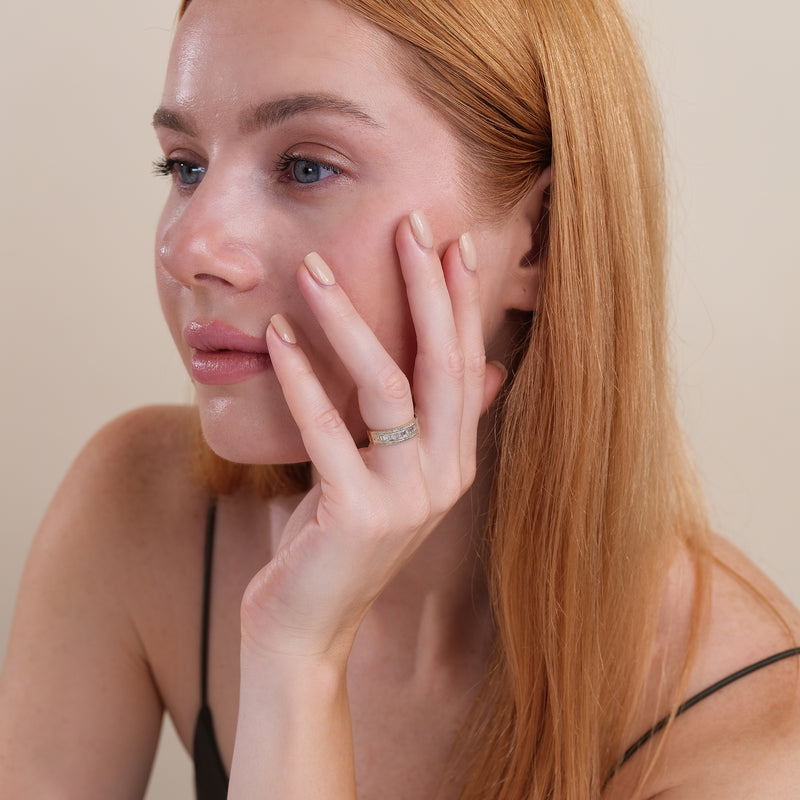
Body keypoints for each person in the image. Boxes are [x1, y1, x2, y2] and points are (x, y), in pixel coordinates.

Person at [1, 0, 799, 797]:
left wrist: (297, 660)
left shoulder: (750, 738)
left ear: (540, 237)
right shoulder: (140, 513)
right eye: (184, 166)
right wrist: (292, 653)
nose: (189, 247)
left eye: (306, 167)